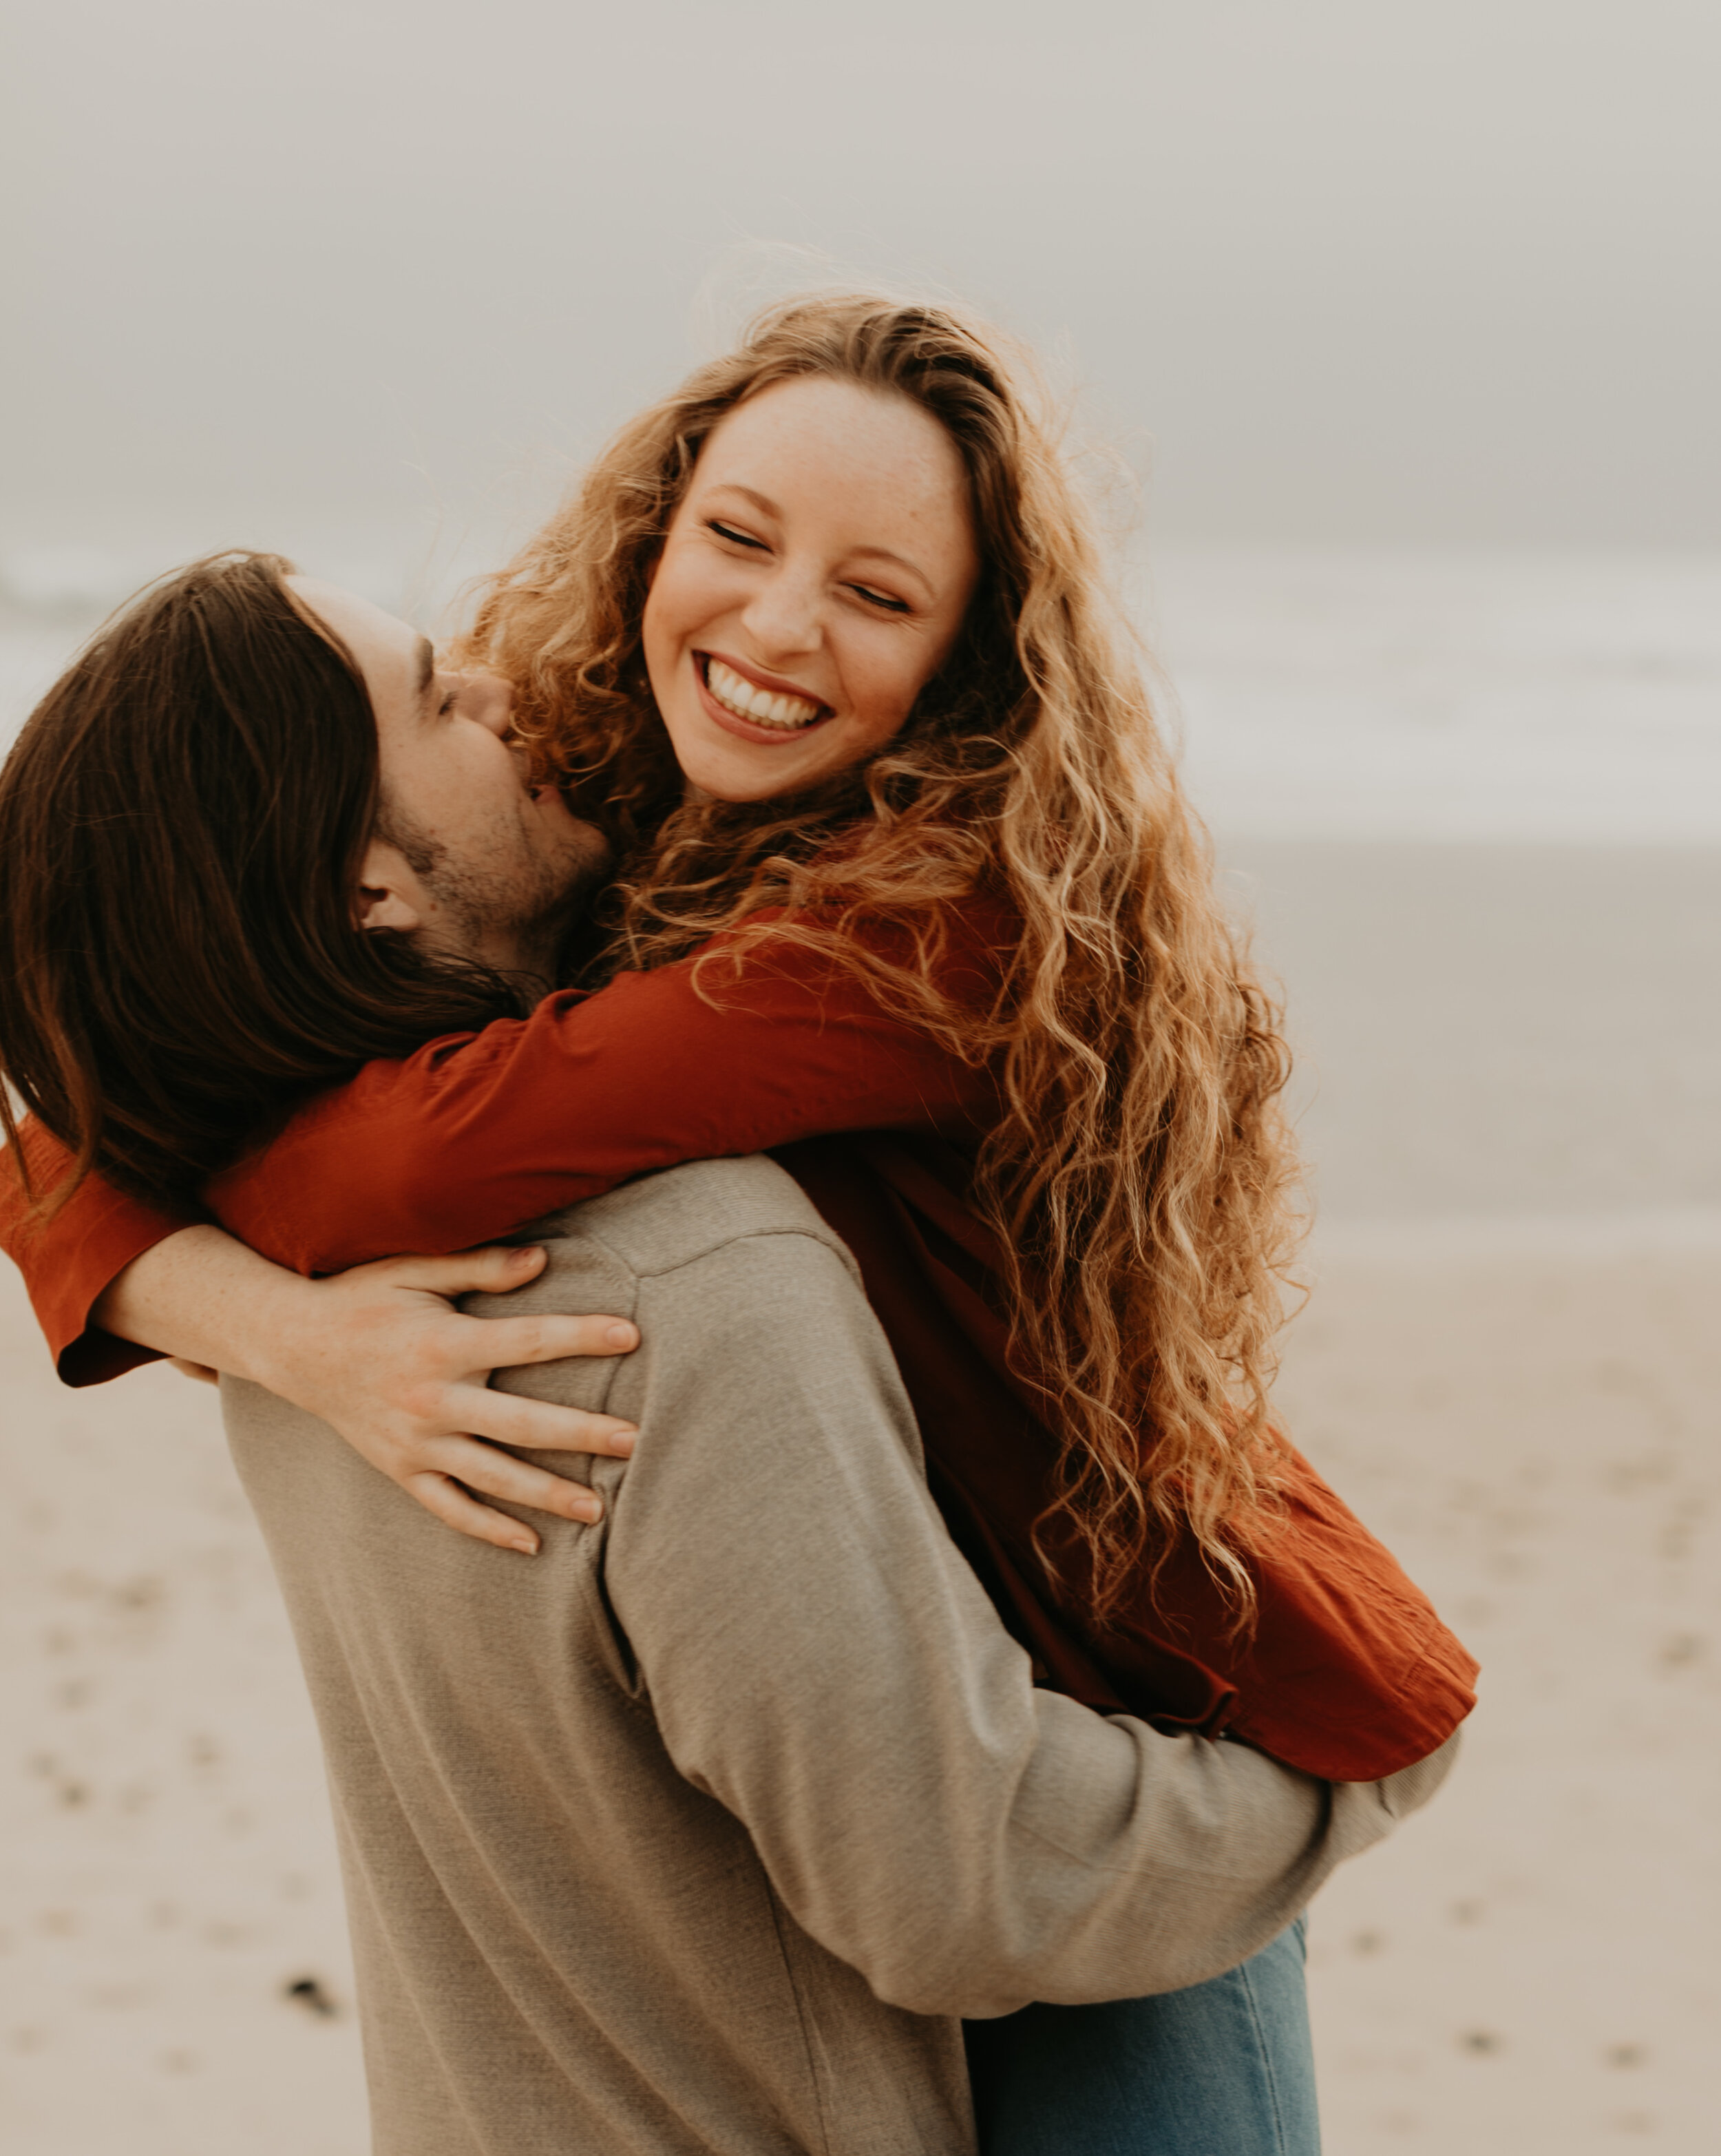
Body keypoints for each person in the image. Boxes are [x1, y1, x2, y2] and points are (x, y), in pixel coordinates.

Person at [0, 296, 1475, 2148]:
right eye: (738, 537)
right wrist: (280, 1317)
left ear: (965, 651)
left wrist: (263, 1291)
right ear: (656, 532)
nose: (774, 627)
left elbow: (324, 1160)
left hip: (1130, 1696)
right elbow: (80, 1123)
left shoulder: (925, 931)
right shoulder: (620, 839)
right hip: (952, 1767)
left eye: (877, 592)